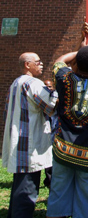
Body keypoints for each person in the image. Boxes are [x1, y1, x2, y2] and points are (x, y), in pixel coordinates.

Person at [46, 44, 88, 218]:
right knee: (87, 194)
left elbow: (59, 61)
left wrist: (80, 51)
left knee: (58, 188)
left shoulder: (64, 79)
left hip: (62, 150)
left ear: (76, 64)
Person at [2, 52, 58, 218]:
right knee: (27, 191)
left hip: (18, 143)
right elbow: (51, 106)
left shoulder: (16, 83)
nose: (41, 65)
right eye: (38, 62)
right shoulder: (33, 83)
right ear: (28, 65)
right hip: (29, 147)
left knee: (19, 188)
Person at [43, 79, 59, 189]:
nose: (48, 89)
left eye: (50, 87)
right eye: (46, 87)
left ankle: (50, 181)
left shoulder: (56, 95)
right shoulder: (44, 97)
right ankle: (49, 180)